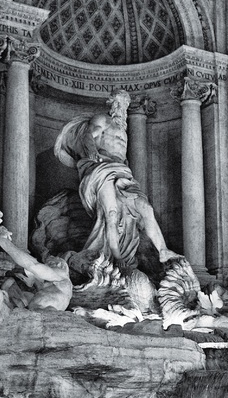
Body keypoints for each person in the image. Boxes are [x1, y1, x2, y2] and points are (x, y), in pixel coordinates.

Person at [54, 91, 178, 272]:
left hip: (122, 171)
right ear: (112, 104)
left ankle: (163, 250)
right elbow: (90, 135)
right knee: (110, 214)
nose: (121, 108)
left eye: (125, 104)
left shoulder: (124, 128)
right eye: (119, 103)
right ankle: (116, 255)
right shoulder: (103, 120)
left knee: (145, 208)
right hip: (101, 168)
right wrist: (91, 154)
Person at [0, 225, 73, 312]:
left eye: (50, 264)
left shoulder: (62, 274)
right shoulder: (55, 288)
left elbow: (33, 265)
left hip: (42, 314)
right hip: (33, 313)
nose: (46, 267)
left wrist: (3, 241)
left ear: (60, 264)